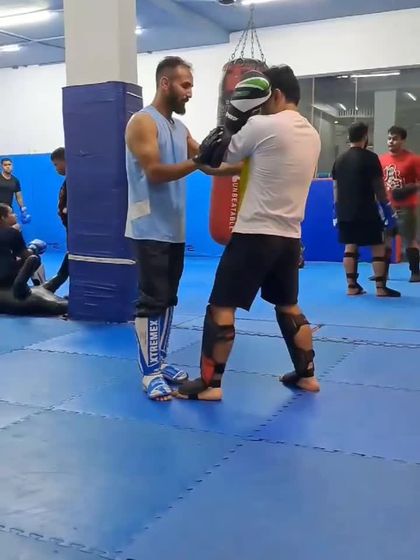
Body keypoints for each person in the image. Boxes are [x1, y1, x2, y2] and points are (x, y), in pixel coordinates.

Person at [174, 64, 322, 401]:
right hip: (289, 237)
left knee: (221, 307)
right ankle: (307, 376)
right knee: (288, 306)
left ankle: (210, 385)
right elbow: (239, 165)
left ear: (276, 94)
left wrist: (232, 121)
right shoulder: (312, 135)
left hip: (254, 233)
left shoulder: (261, 125)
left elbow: (218, 155)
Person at [125, 56, 241, 401]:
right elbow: (155, 171)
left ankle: (159, 361)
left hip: (173, 228)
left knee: (168, 298)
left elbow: (208, 165)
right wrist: (199, 160)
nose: (190, 92)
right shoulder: (143, 122)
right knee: (152, 300)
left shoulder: (179, 128)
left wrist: (247, 166)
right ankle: (149, 373)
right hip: (148, 227)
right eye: (185, 85)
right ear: (165, 84)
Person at [331, 122, 400, 298]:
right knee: (377, 247)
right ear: (365, 136)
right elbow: (379, 188)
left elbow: (335, 188)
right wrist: (388, 210)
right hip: (367, 210)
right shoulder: (371, 158)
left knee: (350, 246)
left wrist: (336, 210)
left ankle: (351, 286)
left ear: (349, 137)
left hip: (345, 210)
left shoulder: (340, 159)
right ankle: (380, 288)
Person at [377, 126, 420, 282]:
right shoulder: (381, 160)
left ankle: (415, 272)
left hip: (406, 207)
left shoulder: (413, 159)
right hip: (388, 207)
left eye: (395, 139)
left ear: (403, 140)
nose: (391, 141)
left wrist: (410, 189)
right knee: (386, 240)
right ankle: (383, 273)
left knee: (409, 240)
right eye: (389, 138)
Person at [0, 204, 46, 299]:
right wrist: (34, 248)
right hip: (5, 280)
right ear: (3, 218)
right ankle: (43, 288)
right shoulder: (12, 233)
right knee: (35, 258)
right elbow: (26, 256)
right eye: (11, 213)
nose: (15, 215)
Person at [43, 148, 69, 294]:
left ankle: (57, 280)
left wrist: (66, 210)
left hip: (75, 228)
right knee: (72, 254)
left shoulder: (74, 180)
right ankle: (57, 280)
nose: (56, 169)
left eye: (56, 164)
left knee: (73, 254)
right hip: (70, 227)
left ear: (65, 161)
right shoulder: (68, 180)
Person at [0, 158, 31, 224]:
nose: (8, 166)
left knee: (15, 227)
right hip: (0, 208)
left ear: (12, 165)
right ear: (1, 166)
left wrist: (23, 209)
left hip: (8, 210)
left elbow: (19, 197)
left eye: (9, 164)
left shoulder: (15, 180)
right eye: (5, 165)